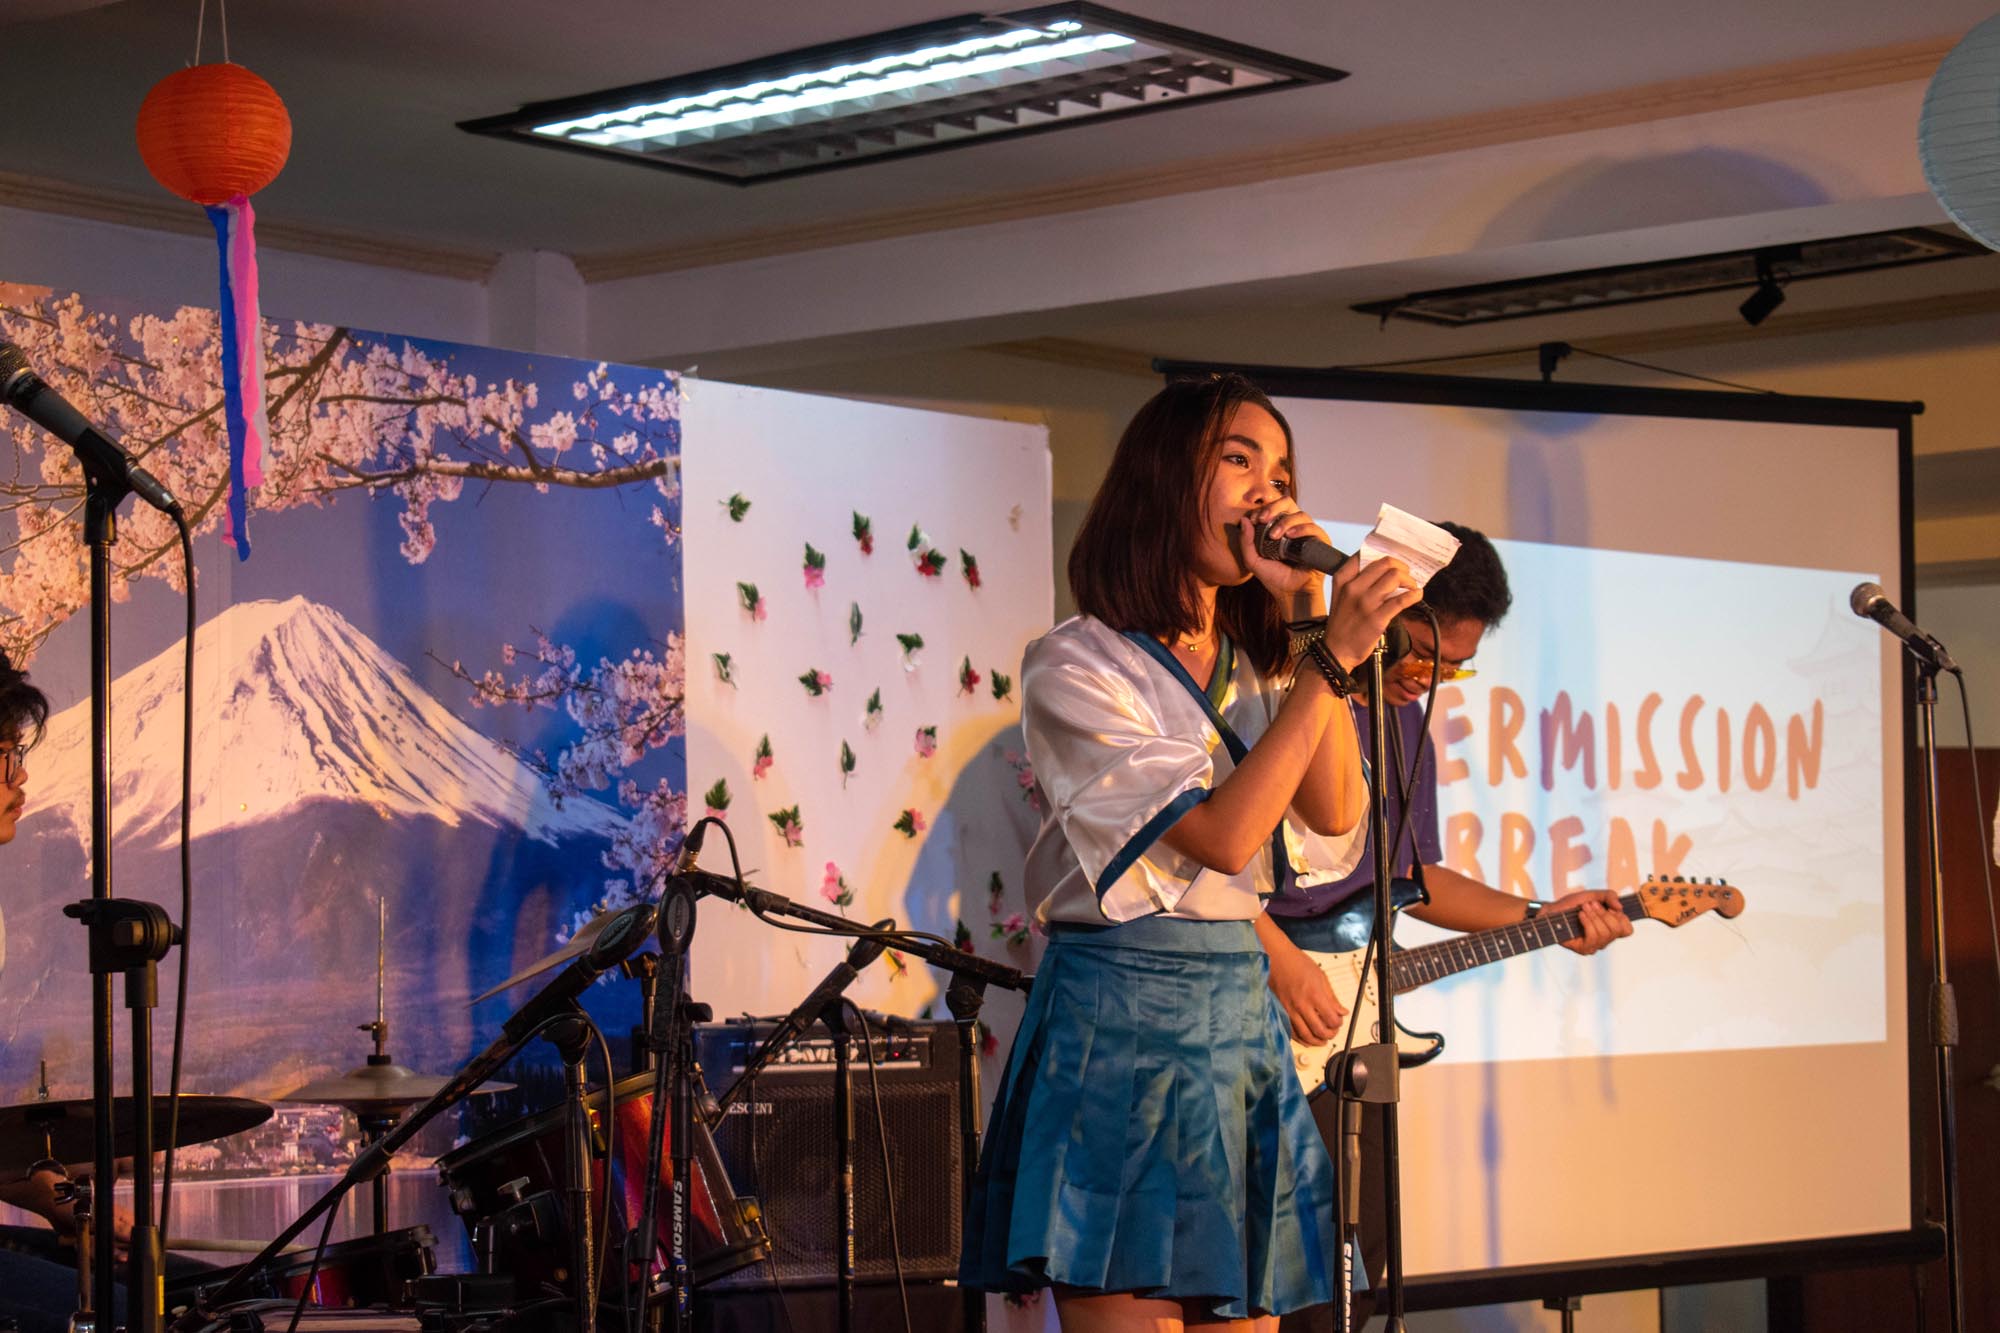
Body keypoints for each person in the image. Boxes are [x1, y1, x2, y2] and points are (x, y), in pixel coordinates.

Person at [961, 374, 1419, 1332]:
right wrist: (1329, 660)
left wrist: (1310, 622)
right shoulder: (1077, 661)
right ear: (1168, 477)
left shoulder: (1267, 665)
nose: (1267, 491)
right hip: (1117, 1021)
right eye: (1239, 459)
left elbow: (1338, 811)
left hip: (1237, 1024)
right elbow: (1222, 835)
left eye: (1281, 472)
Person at [1261, 524, 1632, 1331]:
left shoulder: (1404, 722)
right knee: (1276, 1270)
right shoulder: (1287, 691)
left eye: (1452, 667)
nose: (1427, 678)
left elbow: (1413, 877)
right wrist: (1281, 961)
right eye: (1422, 652)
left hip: (1353, 1031)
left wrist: (1540, 915)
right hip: (1262, 1009)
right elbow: (1199, 862)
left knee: (1356, 1269)